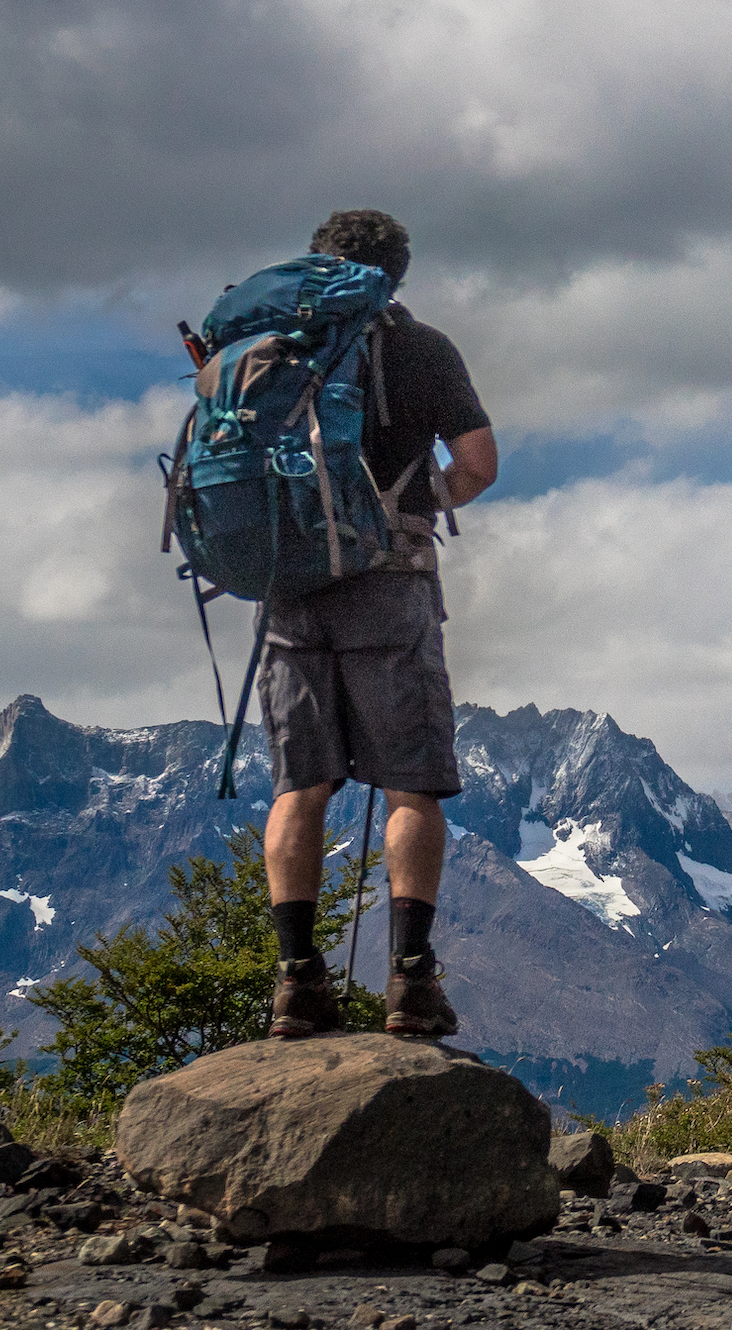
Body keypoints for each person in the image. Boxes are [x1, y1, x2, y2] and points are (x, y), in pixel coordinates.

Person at [259, 209, 497, 1039]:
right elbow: (478, 464)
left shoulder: (269, 345)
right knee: (410, 785)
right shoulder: (424, 348)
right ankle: (410, 983)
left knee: (300, 787)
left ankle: (295, 984)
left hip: (290, 588)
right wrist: (415, 505)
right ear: (399, 273)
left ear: (316, 263)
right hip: (390, 582)